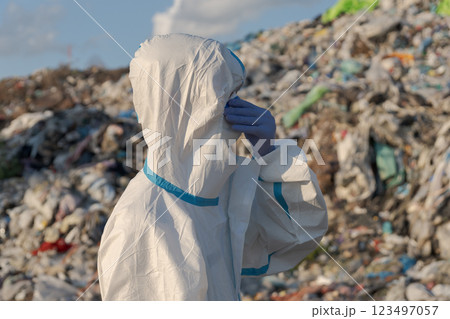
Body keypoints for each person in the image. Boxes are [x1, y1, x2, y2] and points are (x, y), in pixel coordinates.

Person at [98, 33, 328, 300]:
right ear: (187, 104)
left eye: (235, 94)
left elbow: (294, 233)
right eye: (224, 96)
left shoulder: (214, 191)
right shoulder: (143, 222)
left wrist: (270, 152)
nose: (235, 107)